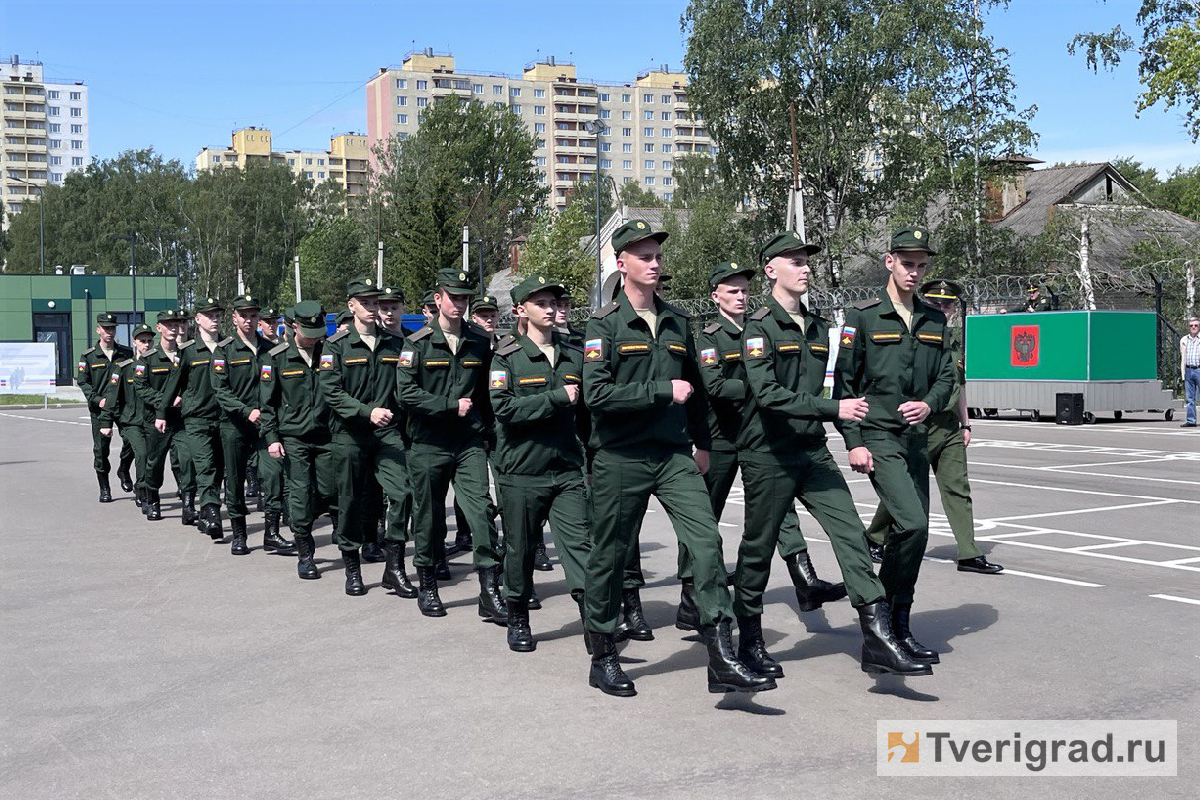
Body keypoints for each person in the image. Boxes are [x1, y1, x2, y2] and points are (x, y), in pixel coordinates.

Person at [581, 219, 774, 697]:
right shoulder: (602, 325)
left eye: (658, 256)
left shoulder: (677, 322)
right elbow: (596, 393)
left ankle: (721, 654)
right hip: (620, 456)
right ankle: (603, 654)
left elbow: (702, 391)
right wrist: (661, 390)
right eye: (643, 255)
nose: (654, 262)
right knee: (608, 556)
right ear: (620, 263)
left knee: (707, 545)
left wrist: (703, 444)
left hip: (672, 455)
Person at [736, 232, 932, 677]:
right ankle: (749, 639)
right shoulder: (759, 327)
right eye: (795, 262)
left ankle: (878, 636)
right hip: (769, 454)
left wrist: (850, 433)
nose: (805, 268)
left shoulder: (822, 326)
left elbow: (838, 387)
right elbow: (767, 394)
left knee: (851, 537)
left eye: (807, 262)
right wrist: (833, 409)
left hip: (812, 451)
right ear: (771, 270)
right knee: (758, 548)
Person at [684, 257, 845, 633]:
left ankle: (805, 579)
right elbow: (716, 386)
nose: (741, 297)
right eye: (732, 291)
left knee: (781, 510)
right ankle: (692, 595)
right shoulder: (710, 337)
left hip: (761, 435)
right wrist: (761, 390)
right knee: (705, 517)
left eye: (744, 290)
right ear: (716, 297)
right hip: (723, 437)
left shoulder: (763, 326)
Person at [835, 227, 956, 668]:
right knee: (913, 523)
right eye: (908, 264)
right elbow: (845, 382)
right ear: (889, 262)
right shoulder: (863, 317)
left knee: (916, 534)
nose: (915, 272)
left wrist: (928, 404)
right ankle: (881, 624)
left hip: (916, 440)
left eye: (922, 265)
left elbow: (948, 376)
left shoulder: (934, 318)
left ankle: (897, 626)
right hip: (879, 435)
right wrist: (853, 442)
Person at [864, 279, 1003, 575]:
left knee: (958, 489)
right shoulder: (917, 337)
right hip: (919, 427)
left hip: (949, 427)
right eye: (935, 303)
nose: (942, 308)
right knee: (907, 491)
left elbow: (959, 385)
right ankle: (874, 537)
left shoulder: (951, 341)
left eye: (947, 304)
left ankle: (969, 553)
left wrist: (967, 424)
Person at [490, 273, 593, 651]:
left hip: (566, 469)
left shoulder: (573, 354)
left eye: (554, 303)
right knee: (520, 548)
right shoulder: (506, 357)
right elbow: (504, 410)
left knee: (580, 546)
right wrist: (555, 399)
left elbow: (586, 416)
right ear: (521, 310)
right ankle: (518, 616)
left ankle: (594, 623)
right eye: (541, 304)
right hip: (522, 471)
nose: (551, 310)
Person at [396, 268, 503, 619]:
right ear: (438, 299)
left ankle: (489, 590)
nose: (459, 303)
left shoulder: (477, 339)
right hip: (428, 443)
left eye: (464, 298)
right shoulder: (417, 343)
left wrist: (489, 430)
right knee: (427, 518)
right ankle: (428, 585)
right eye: (453, 297)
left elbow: (488, 390)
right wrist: (448, 405)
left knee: (482, 513)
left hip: (468, 440)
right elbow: (406, 392)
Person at [319, 276, 414, 597]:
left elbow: (405, 387)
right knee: (350, 502)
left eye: (376, 303)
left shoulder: (395, 343)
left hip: (387, 435)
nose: (374, 309)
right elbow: (331, 392)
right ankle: (352, 568)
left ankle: (394, 567)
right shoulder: (336, 346)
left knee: (402, 493)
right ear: (352, 306)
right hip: (350, 435)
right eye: (367, 303)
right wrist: (366, 411)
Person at [260, 301, 339, 580]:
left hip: (327, 436)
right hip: (294, 438)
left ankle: (342, 535)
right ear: (294, 327)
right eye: (309, 331)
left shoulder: (329, 350)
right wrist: (272, 438)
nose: (315, 337)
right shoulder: (278, 358)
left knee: (332, 490)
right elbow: (267, 404)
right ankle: (306, 555)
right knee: (301, 495)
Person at [211, 294, 294, 557]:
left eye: (253, 315)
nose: (249, 320)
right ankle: (239, 534)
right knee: (234, 479)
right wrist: (246, 411)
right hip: (234, 425)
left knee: (272, 475)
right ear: (234, 317)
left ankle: (271, 533)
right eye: (243, 315)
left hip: (266, 426)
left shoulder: (271, 350)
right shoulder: (223, 350)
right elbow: (220, 390)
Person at [157, 298, 226, 540]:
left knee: (219, 468)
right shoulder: (187, 352)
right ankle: (213, 513)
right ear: (198, 320)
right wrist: (162, 413)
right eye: (209, 315)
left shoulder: (228, 347)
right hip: (196, 419)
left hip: (225, 418)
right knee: (205, 467)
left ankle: (206, 513)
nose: (215, 319)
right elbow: (172, 385)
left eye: (218, 315)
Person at [134, 309, 194, 522]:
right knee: (155, 462)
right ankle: (153, 501)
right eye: (168, 325)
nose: (173, 328)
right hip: (156, 420)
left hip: (182, 419)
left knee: (187, 460)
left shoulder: (187, 354)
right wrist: (165, 401)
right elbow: (140, 388)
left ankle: (188, 505)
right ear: (158, 328)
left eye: (176, 324)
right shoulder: (149, 358)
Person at [78, 312, 134, 503]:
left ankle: (124, 469)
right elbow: (83, 382)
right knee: (101, 450)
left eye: (112, 328)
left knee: (133, 441)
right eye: (106, 328)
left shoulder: (126, 354)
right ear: (98, 330)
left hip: (123, 407)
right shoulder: (89, 356)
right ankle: (105, 488)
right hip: (101, 409)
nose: (109, 332)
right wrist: (97, 399)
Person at [99, 323, 156, 509]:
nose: (146, 345)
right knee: (142, 452)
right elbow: (111, 397)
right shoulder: (124, 368)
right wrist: (106, 422)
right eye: (142, 341)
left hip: (151, 420)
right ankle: (142, 490)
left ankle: (124, 469)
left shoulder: (158, 366)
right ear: (135, 343)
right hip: (130, 421)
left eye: (149, 341)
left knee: (138, 453)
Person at [1181, 317, 1200, 428]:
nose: (1193, 327)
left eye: (1196, 325)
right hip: (1188, 369)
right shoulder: (1184, 340)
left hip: (1199, 369)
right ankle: (1191, 420)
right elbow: (1182, 356)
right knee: (1189, 398)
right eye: (1191, 325)